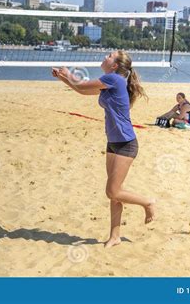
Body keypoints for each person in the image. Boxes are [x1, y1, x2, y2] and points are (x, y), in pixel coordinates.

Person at [52, 50, 155, 249]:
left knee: (112, 191)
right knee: (115, 193)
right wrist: (64, 78)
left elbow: (81, 84)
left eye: (109, 55)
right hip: (113, 142)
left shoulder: (114, 79)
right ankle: (115, 236)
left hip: (126, 143)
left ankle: (148, 202)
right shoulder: (111, 82)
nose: (105, 56)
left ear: (115, 65)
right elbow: (81, 90)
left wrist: (68, 74)